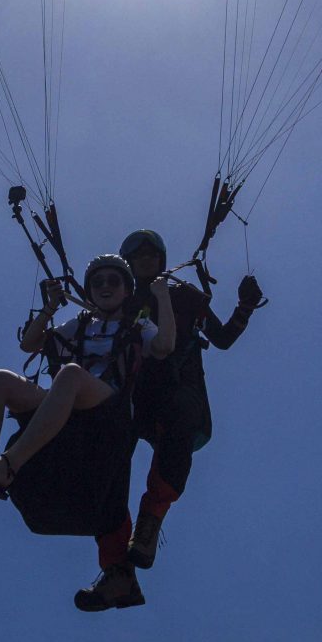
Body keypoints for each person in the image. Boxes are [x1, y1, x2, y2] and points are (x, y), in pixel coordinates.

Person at [0, 254, 175, 610]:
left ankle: (8, 465)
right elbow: (29, 344)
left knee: (70, 374)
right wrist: (49, 308)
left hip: (109, 410)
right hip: (70, 406)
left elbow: (164, 347)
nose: (104, 286)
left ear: (126, 289)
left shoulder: (138, 325)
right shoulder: (78, 323)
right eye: (98, 281)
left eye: (113, 281)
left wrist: (161, 295)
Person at [114, 229, 264, 570]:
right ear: (128, 263)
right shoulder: (118, 299)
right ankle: (108, 532)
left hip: (178, 386)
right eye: (138, 256)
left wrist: (245, 307)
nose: (146, 260)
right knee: (108, 438)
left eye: (152, 255)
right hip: (136, 391)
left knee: (181, 420)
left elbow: (222, 338)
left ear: (162, 260)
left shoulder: (184, 296)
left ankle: (150, 520)